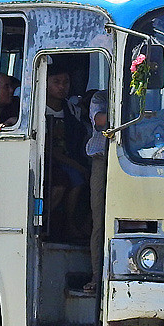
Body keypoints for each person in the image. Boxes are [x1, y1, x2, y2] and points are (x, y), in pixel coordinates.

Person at [45, 61, 89, 242]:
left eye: (66, 82)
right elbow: (51, 150)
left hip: (70, 158)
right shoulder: (36, 108)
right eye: (56, 82)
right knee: (73, 179)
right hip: (49, 161)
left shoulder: (71, 109)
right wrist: (78, 166)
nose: (62, 87)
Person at [82, 88, 109, 293]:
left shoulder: (142, 93)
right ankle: (96, 276)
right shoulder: (100, 97)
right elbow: (100, 121)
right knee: (99, 221)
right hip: (101, 160)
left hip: (136, 160)